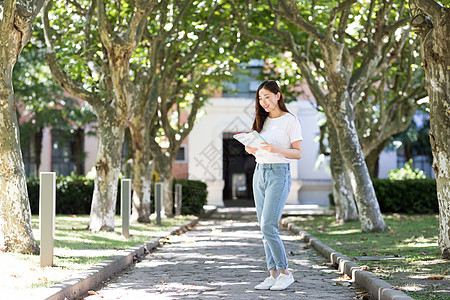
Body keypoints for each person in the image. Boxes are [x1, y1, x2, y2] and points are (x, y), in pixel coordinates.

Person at [245, 80, 303, 291]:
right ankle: (273, 274)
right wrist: (252, 149)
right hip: (259, 173)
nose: (263, 102)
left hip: (279, 174)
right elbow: (259, 147)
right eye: (260, 98)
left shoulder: (290, 120)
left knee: (269, 225)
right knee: (263, 227)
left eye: (267, 97)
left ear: (278, 96)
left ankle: (286, 273)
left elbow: (298, 153)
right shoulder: (262, 120)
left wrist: (276, 149)